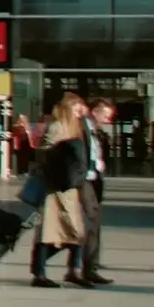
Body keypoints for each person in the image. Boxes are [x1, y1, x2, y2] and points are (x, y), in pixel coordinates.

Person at [29, 93, 90, 289]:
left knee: (76, 231)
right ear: (68, 108)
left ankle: (71, 270)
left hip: (69, 188)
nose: (80, 112)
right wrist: (62, 155)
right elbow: (43, 153)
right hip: (56, 189)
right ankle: (40, 271)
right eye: (77, 108)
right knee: (53, 232)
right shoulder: (57, 127)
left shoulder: (75, 127)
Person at [68, 98, 114, 285]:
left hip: (94, 180)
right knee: (87, 224)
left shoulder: (96, 131)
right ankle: (81, 267)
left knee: (94, 223)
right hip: (85, 180)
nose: (107, 120)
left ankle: (90, 266)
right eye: (105, 115)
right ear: (95, 111)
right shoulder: (81, 127)